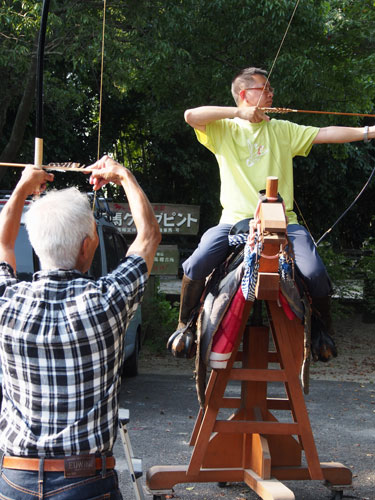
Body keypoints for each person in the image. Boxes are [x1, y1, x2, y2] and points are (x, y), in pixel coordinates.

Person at [173, 67, 374, 345]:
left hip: (284, 222)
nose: (271, 93)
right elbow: (189, 116)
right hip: (233, 223)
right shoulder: (223, 128)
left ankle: (322, 333)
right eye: (264, 88)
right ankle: (184, 327)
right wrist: (237, 113)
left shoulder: (282, 129)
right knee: (195, 264)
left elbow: (326, 132)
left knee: (315, 272)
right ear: (244, 94)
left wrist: (369, 131)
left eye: (270, 89)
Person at [0, 156, 161, 499]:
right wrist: (123, 175)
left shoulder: (7, 302)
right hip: (87, 482)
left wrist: (22, 189)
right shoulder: (107, 301)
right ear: (88, 245)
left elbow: (3, 243)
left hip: (16, 481)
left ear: (36, 243)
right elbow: (148, 235)